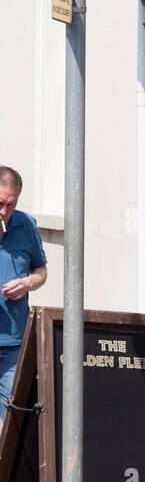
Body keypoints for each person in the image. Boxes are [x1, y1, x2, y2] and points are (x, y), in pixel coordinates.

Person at [0, 167, 47, 423]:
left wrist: (26, 283)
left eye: (11, 204)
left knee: (15, 415)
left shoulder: (26, 224)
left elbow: (41, 271)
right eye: (0, 203)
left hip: (14, 342)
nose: (4, 211)